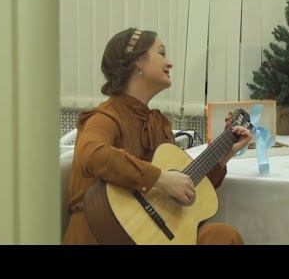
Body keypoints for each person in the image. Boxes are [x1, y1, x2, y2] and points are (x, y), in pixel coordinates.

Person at [62, 28, 251, 245]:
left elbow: (183, 188)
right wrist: (160, 178)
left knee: (223, 236)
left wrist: (222, 156)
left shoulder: (159, 124)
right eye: (161, 53)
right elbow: (91, 154)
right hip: (103, 235)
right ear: (138, 61)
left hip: (151, 235)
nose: (169, 63)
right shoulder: (104, 117)